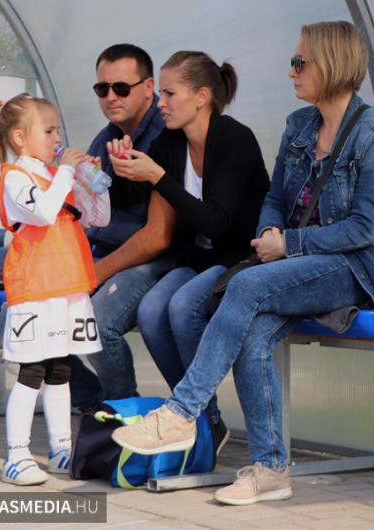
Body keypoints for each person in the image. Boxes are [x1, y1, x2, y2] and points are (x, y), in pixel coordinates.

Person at [110, 21, 374, 506]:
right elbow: (274, 197)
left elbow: (364, 230)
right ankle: (271, 470)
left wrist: (286, 243)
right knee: (252, 331)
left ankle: (181, 413)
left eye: (299, 62)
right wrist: (271, 232)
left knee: (245, 288)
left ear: (332, 64)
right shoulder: (299, 126)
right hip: (301, 261)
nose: (291, 72)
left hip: (361, 268)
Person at [108, 50, 270, 455]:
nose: (160, 103)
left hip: (241, 259)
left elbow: (216, 222)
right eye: (160, 94)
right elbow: (131, 197)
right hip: (198, 260)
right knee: (150, 311)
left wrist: (159, 176)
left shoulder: (235, 139)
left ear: (201, 97)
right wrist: (121, 167)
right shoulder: (172, 141)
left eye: (169, 94)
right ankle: (205, 421)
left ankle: (197, 419)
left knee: (182, 307)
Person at [0, 93, 111, 485]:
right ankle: (16, 455)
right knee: (32, 371)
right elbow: (41, 212)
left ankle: (61, 449)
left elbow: (99, 218)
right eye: (49, 130)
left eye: (57, 130)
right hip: (35, 290)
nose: (58, 138)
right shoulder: (14, 176)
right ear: (20, 138)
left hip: (67, 288)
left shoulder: (57, 176)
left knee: (60, 369)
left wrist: (94, 182)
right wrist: (67, 173)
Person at [67, 44, 177, 413]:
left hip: (154, 260)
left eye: (122, 88)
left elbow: (159, 238)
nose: (111, 97)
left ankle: (122, 412)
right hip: (101, 253)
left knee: (95, 324)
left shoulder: (168, 136)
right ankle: (92, 404)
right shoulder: (105, 138)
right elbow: (84, 217)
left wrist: (94, 274)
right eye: (103, 89)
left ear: (149, 87)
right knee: (24, 313)